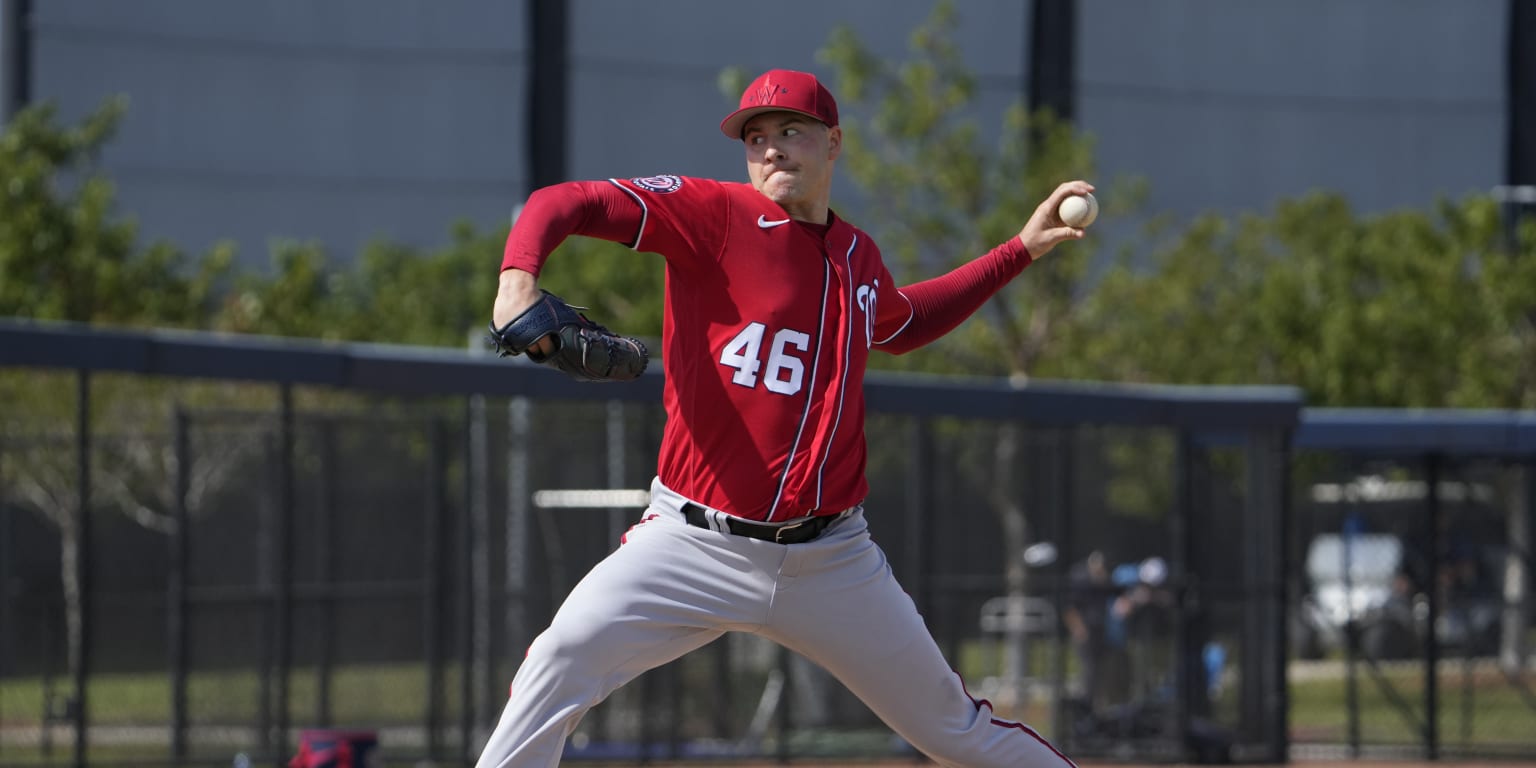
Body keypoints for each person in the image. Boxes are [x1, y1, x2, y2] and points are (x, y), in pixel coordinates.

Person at [477, 68, 1092, 768]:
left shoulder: (859, 256)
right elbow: (565, 200)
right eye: (757, 136)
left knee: (955, 730)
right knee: (559, 660)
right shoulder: (713, 215)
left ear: (833, 143)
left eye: (791, 131)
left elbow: (904, 321)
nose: (771, 148)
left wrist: (1021, 250)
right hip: (691, 545)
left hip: (832, 561)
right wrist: (516, 280)